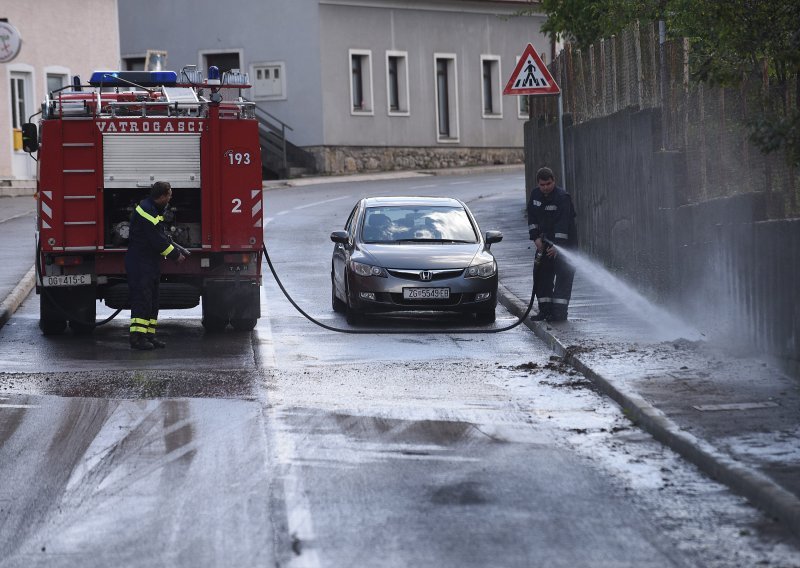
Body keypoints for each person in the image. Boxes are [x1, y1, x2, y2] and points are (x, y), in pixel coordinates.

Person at [125, 181, 185, 350]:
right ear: (162, 196)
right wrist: (175, 255)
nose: (170, 199)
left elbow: (159, 234)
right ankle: (137, 338)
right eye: (169, 196)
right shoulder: (146, 211)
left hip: (148, 263)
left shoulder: (151, 209)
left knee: (152, 301)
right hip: (140, 263)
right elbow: (156, 240)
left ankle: (149, 336)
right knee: (142, 301)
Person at [527, 167, 577, 322]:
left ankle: (559, 314)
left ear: (554, 181)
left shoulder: (562, 198)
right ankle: (545, 311)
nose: (545, 187)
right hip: (544, 244)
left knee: (563, 280)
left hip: (565, 246)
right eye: (542, 185)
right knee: (541, 278)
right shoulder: (535, 195)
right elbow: (532, 218)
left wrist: (558, 247)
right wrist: (535, 238)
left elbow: (563, 225)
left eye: (548, 184)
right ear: (538, 184)